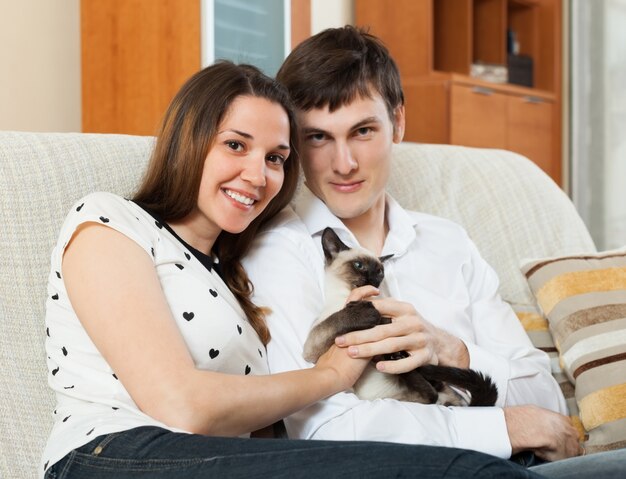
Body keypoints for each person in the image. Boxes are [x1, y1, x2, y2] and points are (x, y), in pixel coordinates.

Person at [40, 61, 540, 479]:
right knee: (471, 473)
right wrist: (329, 375)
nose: (258, 176)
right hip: (107, 456)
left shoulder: (232, 274)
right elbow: (182, 405)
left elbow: (259, 428)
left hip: (213, 459)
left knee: (473, 467)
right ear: (189, 139)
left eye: (276, 158)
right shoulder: (109, 222)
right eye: (235, 145)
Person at [242, 26, 624, 477]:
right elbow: (326, 431)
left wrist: (452, 350)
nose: (343, 164)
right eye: (318, 137)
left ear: (398, 123)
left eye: (363, 131)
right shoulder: (274, 251)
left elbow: (547, 396)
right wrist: (508, 427)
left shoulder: (448, 241)